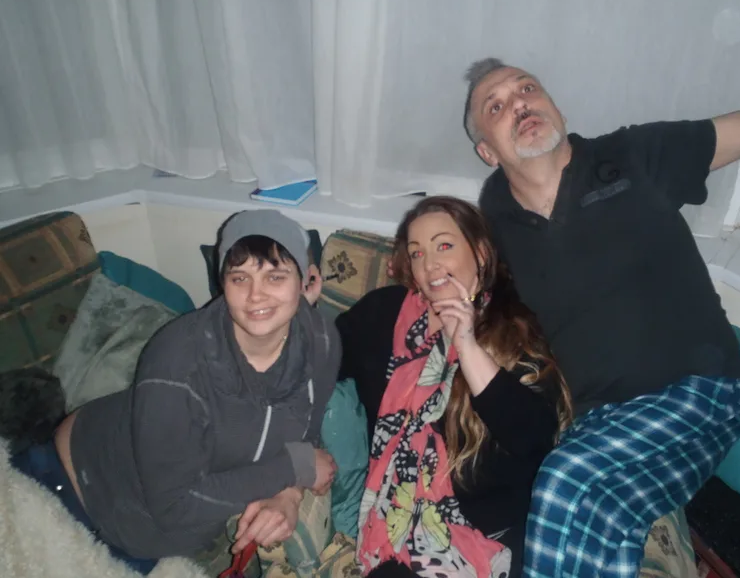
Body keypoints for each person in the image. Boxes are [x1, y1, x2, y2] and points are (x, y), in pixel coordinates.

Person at [461, 57, 740, 577]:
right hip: (599, 424)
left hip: (701, 394)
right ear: (488, 151)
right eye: (497, 106)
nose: (520, 104)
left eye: (527, 89)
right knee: (586, 523)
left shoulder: (632, 156)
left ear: (558, 109)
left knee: (566, 480)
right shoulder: (495, 224)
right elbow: (449, 274)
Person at [12, 209, 341, 573]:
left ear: (307, 279)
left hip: (159, 537)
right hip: (66, 493)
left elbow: (305, 431)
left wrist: (289, 493)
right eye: (239, 277)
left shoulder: (322, 342)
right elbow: (174, 505)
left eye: (275, 276)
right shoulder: (177, 360)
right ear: (223, 282)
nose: (255, 295)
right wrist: (293, 467)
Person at [336, 196, 571, 578]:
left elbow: (535, 440)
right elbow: (322, 360)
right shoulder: (385, 313)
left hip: (485, 538)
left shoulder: (513, 331)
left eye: (444, 245)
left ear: (480, 253)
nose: (429, 264)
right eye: (417, 253)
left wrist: (466, 345)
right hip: (393, 530)